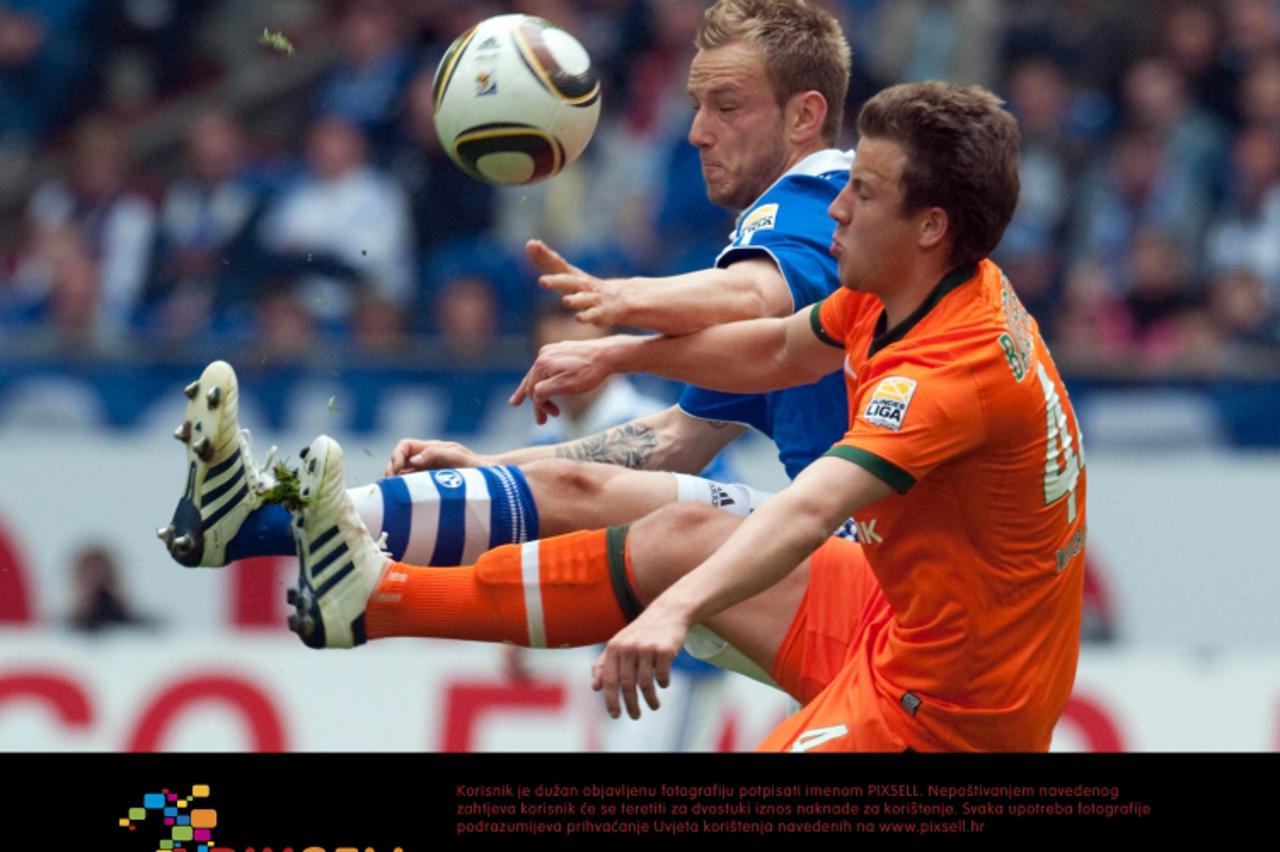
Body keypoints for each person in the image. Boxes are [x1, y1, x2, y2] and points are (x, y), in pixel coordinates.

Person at [281, 80, 1086, 753]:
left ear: (931, 227)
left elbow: (810, 511)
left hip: (959, 714)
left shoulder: (951, 369)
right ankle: (377, 599)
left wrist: (675, 610)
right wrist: (619, 355)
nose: (836, 208)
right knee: (676, 535)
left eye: (863, 192)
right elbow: (776, 348)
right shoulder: (915, 287)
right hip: (909, 619)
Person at [161, 0, 853, 665]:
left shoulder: (829, 196)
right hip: (850, 561)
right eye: (698, 105)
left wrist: (621, 300)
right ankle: (256, 521)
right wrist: (491, 468)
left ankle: (379, 599)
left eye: (726, 107)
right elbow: (670, 441)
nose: (698, 131)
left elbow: (758, 295)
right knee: (585, 494)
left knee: (678, 537)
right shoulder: (797, 238)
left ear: (805, 116)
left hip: (899, 589)